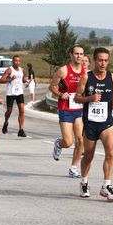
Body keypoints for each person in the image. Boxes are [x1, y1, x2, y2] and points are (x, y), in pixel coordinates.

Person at [75, 47, 113, 201]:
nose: (103, 63)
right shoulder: (86, 78)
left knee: (111, 152)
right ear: (94, 60)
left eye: (105, 60)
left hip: (107, 122)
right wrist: (90, 98)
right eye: (100, 60)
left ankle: (106, 186)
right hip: (91, 122)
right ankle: (84, 182)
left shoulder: (112, 77)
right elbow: (77, 98)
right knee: (88, 155)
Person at [49, 45, 86, 178]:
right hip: (65, 108)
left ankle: (73, 168)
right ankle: (59, 144)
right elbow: (52, 86)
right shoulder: (63, 70)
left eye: (81, 54)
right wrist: (59, 94)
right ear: (71, 55)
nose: (79, 56)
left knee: (80, 140)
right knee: (68, 142)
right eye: (76, 53)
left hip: (79, 109)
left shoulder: (85, 73)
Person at [0, 55, 27, 137]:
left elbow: (23, 79)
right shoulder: (9, 70)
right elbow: (1, 80)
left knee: (22, 110)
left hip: (20, 92)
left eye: (18, 61)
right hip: (10, 93)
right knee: (9, 111)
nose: (17, 62)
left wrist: (25, 80)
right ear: (13, 61)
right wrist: (11, 79)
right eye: (15, 61)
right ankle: (6, 122)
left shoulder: (22, 70)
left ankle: (21, 130)